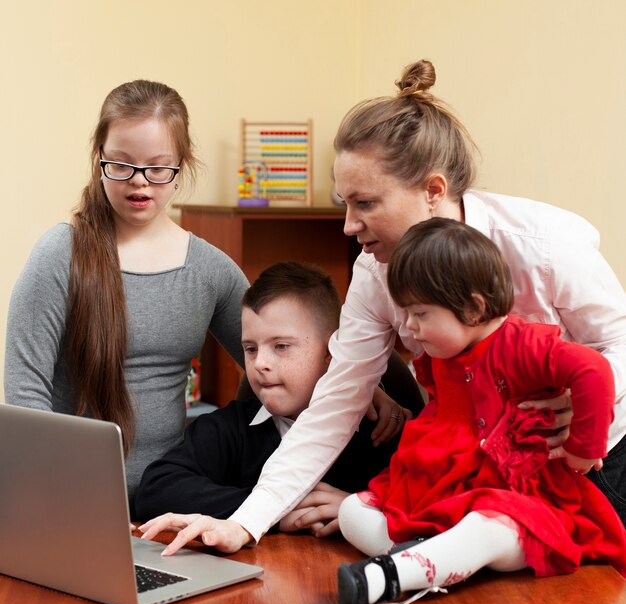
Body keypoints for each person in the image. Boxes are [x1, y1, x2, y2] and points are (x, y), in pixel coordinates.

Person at [138, 59, 626, 555]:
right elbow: (334, 405)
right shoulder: (374, 274)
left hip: (593, 456)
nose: (348, 225)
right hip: (484, 471)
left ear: (433, 191)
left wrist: (586, 406)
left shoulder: (543, 246)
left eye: (366, 204)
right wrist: (246, 522)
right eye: (343, 203)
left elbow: (619, 342)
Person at [335, 217, 626, 604]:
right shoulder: (442, 357)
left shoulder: (520, 344)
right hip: (443, 490)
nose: (410, 327)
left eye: (421, 314)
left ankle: (392, 574)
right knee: (351, 511)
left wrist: (582, 448)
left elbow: (593, 370)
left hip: (518, 500)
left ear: (472, 308)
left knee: (491, 529)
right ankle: (439, 558)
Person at [3, 79, 249, 511]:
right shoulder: (61, 253)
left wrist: (225, 437)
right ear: (99, 159)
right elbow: (25, 391)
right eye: (121, 164)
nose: (140, 183)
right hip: (72, 501)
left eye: (158, 168)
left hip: (170, 501)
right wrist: (49, 494)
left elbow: (273, 368)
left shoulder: (211, 271)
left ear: (182, 165)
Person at [136, 262, 411, 536]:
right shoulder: (230, 427)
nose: (260, 364)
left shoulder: (382, 432)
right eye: (251, 349)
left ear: (331, 351)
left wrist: (359, 508)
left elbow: (426, 508)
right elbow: (155, 490)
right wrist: (273, 512)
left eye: (281, 346)